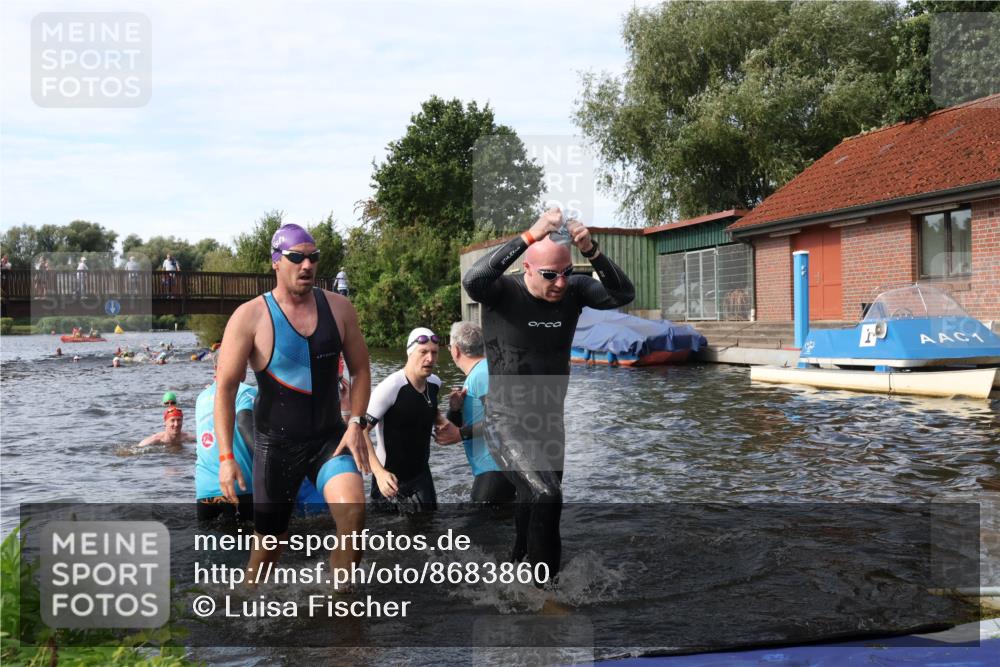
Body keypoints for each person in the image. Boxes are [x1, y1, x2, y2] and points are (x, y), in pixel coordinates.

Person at [462, 207, 635, 579]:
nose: (559, 283)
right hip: (505, 422)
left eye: (565, 273)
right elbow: (473, 279)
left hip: (549, 423)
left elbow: (623, 293)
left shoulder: (575, 290)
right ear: (526, 269)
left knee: (539, 502)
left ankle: (515, 570)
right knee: (546, 495)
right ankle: (546, 596)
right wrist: (532, 233)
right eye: (549, 275)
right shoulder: (502, 291)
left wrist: (591, 250)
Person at [215, 223, 372, 584]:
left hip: (329, 439)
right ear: (275, 262)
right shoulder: (249, 317)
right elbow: (225, 389)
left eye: (313, 257)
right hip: (276, 447)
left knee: (354, 517)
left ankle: (339, 605)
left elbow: (361, 370)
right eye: (296, 257)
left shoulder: (339, 308)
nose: (307, 265)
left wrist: (356, 422)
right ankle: (246, 606)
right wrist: (226, 459)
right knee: (268, 551)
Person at [365, 328, 461, 510]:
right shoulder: (391, 388)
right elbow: (360, 430)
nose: (430, 359)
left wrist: (452, 413)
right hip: (390, 479)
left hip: (421, 475)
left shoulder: (435, 383)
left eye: (434, 352)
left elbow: (429, 412)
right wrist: (379, 473)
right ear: (410, 353)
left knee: (431, 528)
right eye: (423, 352)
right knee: (388, 535)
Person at [441, 321, 516, 504]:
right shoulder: (481, 373)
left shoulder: (483, 375)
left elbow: (502, 421)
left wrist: (460, 434)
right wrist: (455, 409)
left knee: (479, 529)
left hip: (496, 470)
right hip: (496, 470)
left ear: (455, 350)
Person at [195, 356, 256, 521]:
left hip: (204, 490)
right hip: (239, 486)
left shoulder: (201, 398)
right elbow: (244, 424)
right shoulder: (246, 392)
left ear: (215, 368)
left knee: (208, 543)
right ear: (242, 369)